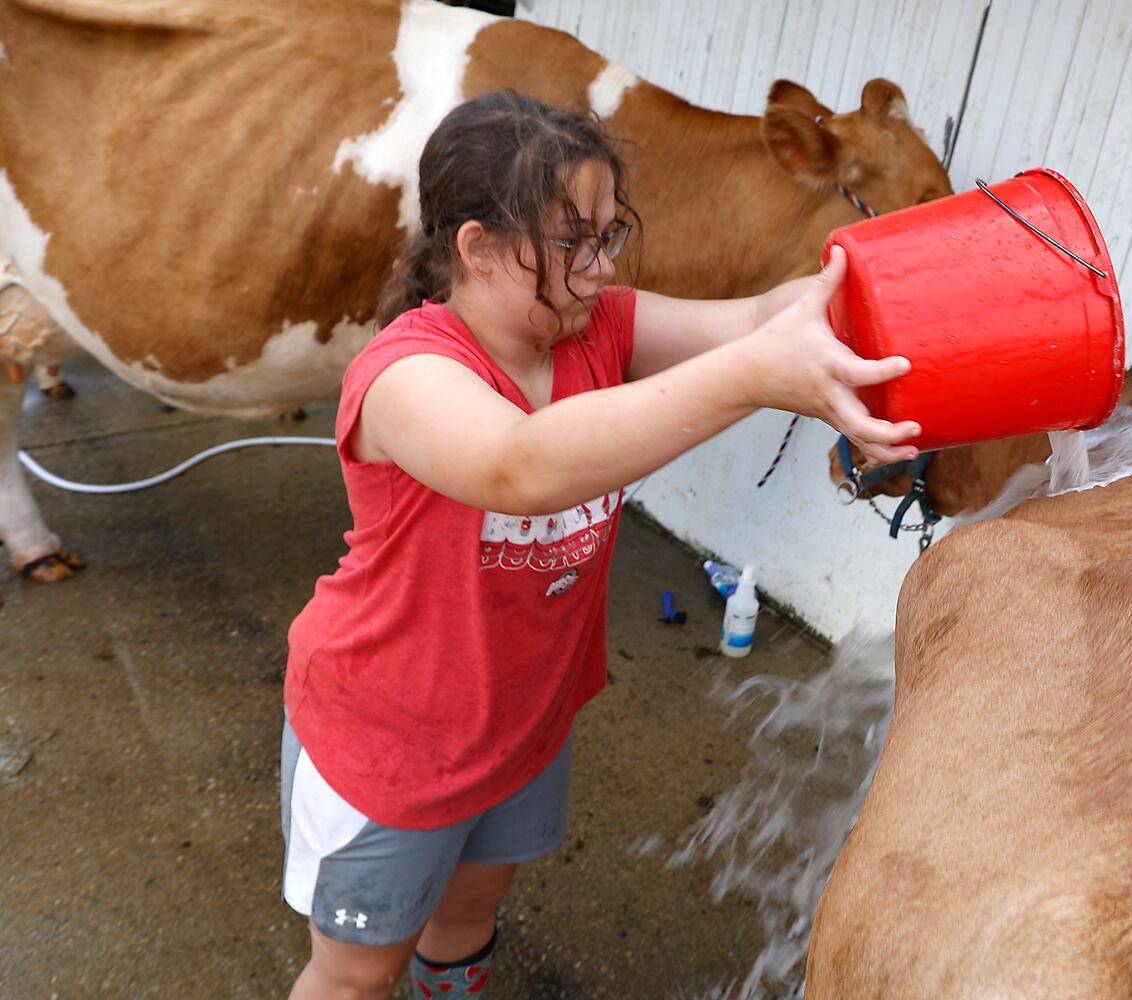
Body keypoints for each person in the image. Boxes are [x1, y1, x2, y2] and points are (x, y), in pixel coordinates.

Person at [279, 90, 919, 999]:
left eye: (610, 235)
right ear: (478, 248)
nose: (598, 266)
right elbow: (518, 467)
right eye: (573, 243)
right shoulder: (408, 374)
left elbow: (754, 323)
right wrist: (751, 379)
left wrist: (855, 293)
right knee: (353, 973)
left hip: (521, 725)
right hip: (390, 738)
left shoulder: (601, 326)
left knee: (467, 917)